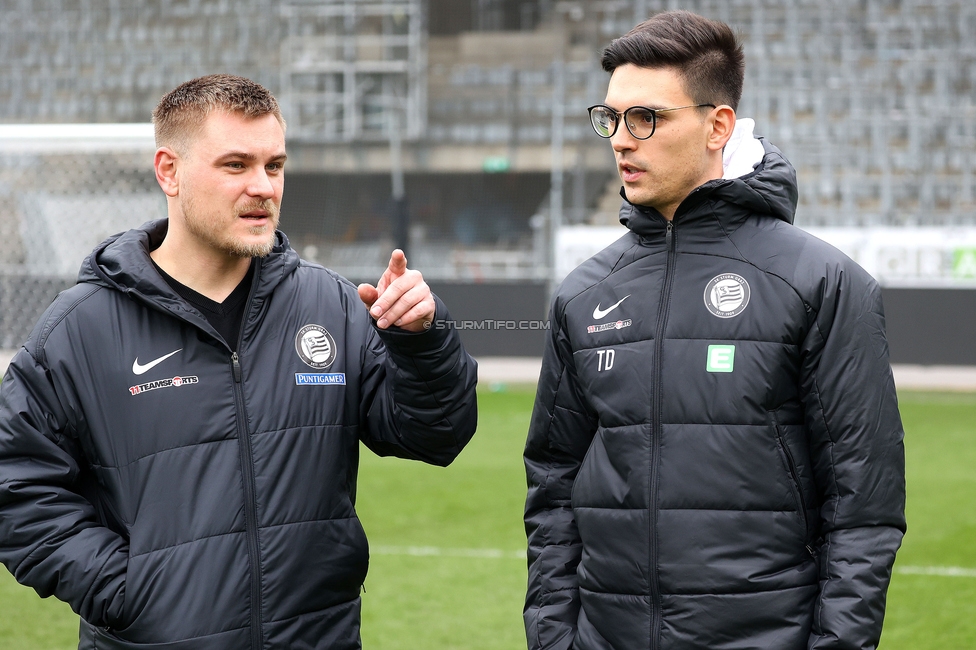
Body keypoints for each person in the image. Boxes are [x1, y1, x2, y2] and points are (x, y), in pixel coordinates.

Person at [0, 74, 478, 649]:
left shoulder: (332, 306)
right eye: (236, 166)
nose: (263, 187)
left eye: (274, 166)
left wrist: (423, 344)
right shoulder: (81, 327)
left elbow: (436, 436)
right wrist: (124, 591)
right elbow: (16, 483)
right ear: (168, 172)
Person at [523, 11, 905, 650]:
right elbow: (552, 484)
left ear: (717, 125)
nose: (620, 139)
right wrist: (554, 637)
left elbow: (863, 506)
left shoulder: (823, 283)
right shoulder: (583, 294)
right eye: (609, 118)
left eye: (646, 118)